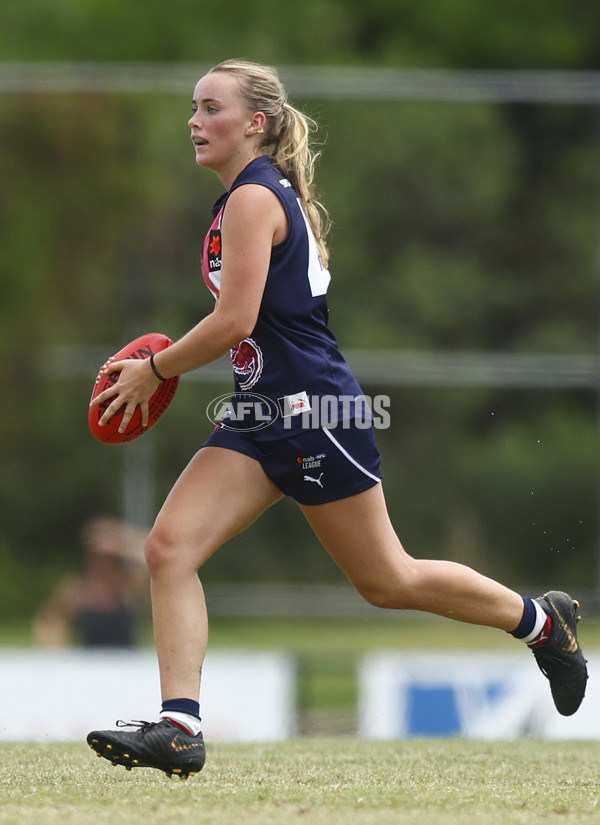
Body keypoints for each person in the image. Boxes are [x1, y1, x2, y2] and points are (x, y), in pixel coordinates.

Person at [86, 59, 588, 779]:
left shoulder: (256, 198)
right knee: (169, 548)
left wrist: (156, 369)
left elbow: (236, 320)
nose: (193, 121)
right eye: (191, 108)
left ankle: (544, 622)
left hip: (317, 409)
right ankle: (179, 726)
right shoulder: (242, 200)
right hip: (263, 412)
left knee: (388, 580)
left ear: (254, 122)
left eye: (210, 107)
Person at [34, 517, 149, 648]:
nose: (102, 563)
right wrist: (56, 650)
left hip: (127, 665)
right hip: (90, 666)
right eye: (97, 556)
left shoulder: (129, 585)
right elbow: (50, 621)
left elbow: (153, 554)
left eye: (107, 558)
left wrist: (120, 539)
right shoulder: (78, 589)